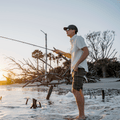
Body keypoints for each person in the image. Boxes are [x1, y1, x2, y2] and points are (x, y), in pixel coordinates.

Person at [53, 24, 89, 120]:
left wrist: (77, 64)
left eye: (68, 29)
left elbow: (86, 52)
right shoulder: (73, 42)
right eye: (66, 30)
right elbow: (71, 55)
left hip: (79, 68)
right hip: (76, 69)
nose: (66, 31)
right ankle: (82, 115)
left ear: (74, 30)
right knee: (78, 90)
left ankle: (81, 116)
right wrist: (60, 52)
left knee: (75, 90)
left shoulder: (78, 38)